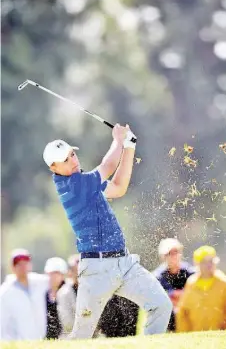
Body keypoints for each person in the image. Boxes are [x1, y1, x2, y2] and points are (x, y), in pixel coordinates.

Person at [43, 124, 172, 339]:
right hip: (97, 269)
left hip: (125, 263)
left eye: (73, 155)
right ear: (54, 168)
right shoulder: (73, 185)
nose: (73, 161)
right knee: (82, 335)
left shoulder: (86, 183)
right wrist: (118, 139)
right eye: (65, 160)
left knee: (161, 305)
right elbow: (108, 165)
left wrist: (129, 148)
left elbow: (119, 187)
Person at [176, 245, 226, 332]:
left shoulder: (225, 284)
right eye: (204, 261)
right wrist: (184, 334)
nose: (209, 265)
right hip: (195, 336)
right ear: (197, 264)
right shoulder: (191, 283)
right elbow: (183, 312)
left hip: (219, 336)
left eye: (211, 261)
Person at [0, 249, 49, 340]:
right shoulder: (5, 292)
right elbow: (2, 322)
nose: (23, 267)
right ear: (13, 267)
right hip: (18, 342)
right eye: (19, 264)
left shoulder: (41, 282)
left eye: (25, 263)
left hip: (41, 340)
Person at [153, 238, 194, 331]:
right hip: (169, 317)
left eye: (176, 252)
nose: (174, 256)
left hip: (189, 312)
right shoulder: (158, 276)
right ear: (164, 257)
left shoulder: (189, 271)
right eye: (170, 253)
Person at [44, 257, 68, 339]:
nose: (53, 276)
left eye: (56, 273)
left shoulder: (69, 292)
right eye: (51, 273)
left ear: (63, 275)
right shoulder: (43, 293)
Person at [57, 254, 80, 336]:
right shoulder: (64, 293)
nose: (79, 274)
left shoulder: (92, 290)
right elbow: (67, 323)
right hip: (71, 336)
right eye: (76, 271)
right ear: (70, 272)